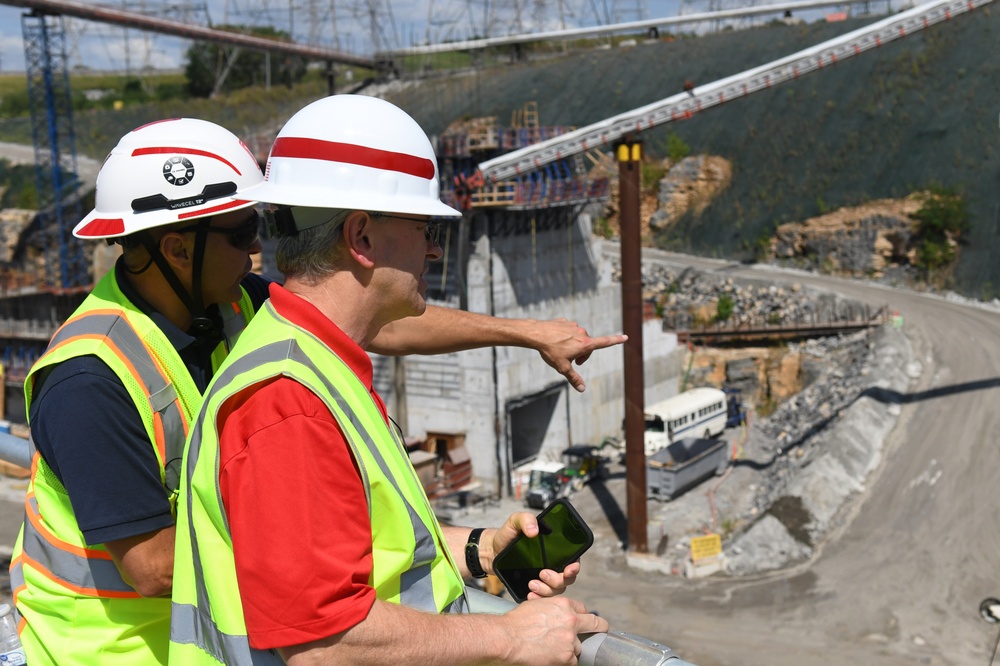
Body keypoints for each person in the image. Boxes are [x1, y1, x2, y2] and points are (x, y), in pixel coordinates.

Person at [8, 116, 622, 665]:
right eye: (243, 230)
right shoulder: (90, 378)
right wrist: (510, 639)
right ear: (175, 247)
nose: (258, 249)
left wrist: (474, 547)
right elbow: (155, 569)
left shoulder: (235, 312)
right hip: (104, 652)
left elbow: (386, 320)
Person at [169, 94, 609, 665]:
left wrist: (481, 548)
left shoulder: (315, 363)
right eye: (425, 227)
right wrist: (510, 638)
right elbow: (323, 642)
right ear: (362, 237)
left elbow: (372, 549)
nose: (432, 248)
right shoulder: (290, 402)